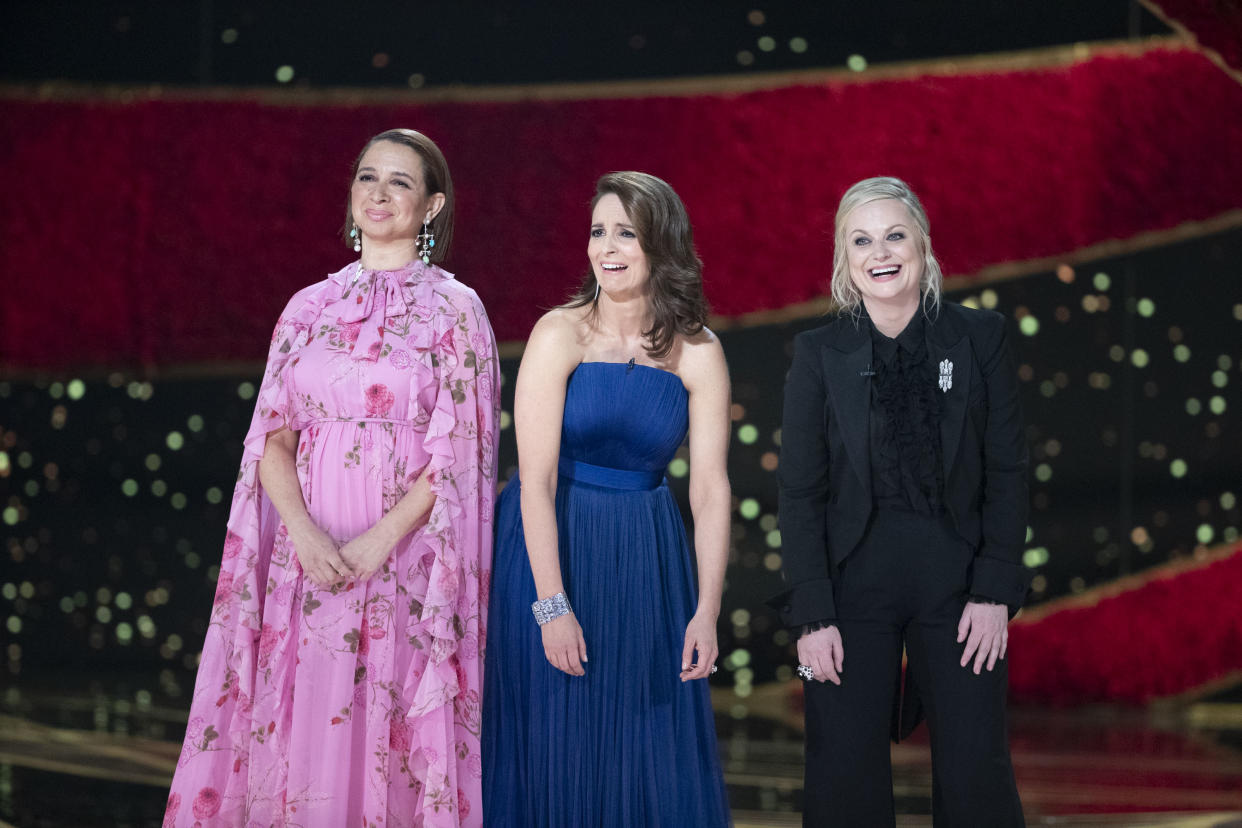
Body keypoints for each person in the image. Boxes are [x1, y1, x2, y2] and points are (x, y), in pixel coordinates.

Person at [165, 129, 499, 828]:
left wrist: (379, 541)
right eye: (367, 177)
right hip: (307, 559)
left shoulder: (456, 311)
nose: (378, 193)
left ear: (432, 205)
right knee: (307, 719)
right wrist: (304, 535)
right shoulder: (307, 308)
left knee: (394, 721)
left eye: (400, 182)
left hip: (405, 556)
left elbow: (462, 453)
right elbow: (272, 437)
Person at [771, 176, 1029, 826]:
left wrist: (995, 591)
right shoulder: (817, 353)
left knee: (977, 776)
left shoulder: (981, 337)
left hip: (962, 584)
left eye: (893, 235)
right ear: (844, 258)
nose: (879, 252)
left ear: (921, 244)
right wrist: (811, 615)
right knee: (842, 780)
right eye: (861, 239)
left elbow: (1008, 469)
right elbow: (800, 494)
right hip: (851, 589)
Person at [481, 172, 732, 826]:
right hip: (549, 553)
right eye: (599, 230)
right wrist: (551, 605)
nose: (607, 246)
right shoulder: (558, 333)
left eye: (627, 232)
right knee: (552, 742)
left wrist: (706, 610)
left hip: (646, 563)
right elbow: (531, 482)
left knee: (642, 749)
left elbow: (709, 490)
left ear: (662, 244)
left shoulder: (699, 350)